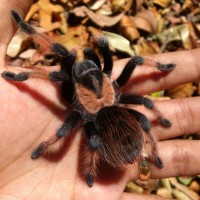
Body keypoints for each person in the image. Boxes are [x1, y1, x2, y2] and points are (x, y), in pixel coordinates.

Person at [0, 1, 199, 199]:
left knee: (96, 134)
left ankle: (142, 154)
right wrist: (101, 40)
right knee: (142, 114)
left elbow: (64, 127)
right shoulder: (109, 77)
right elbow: (131, 66)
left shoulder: (72, 87)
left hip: (107, 122)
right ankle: (149, 152)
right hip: (111, 118)